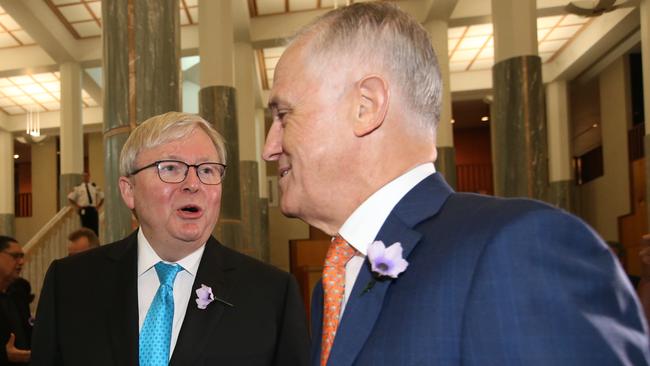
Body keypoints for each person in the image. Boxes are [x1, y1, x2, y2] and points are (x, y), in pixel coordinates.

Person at [262, 3, 650, 365]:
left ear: (366, 106)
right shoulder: (332, 286)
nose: (269, 148)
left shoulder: (516, 248)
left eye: (283, 115)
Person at [32, 112, 310, 365]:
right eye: (171, 168)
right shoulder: (69, 284)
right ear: (129, 191)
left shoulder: (272, 295)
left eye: (207, 170)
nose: (193, 184)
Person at [0, 236, 30, 365]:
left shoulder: (19, 292)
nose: (21, 262)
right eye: (15, 256)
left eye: (22, 256)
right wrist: (5, 355)